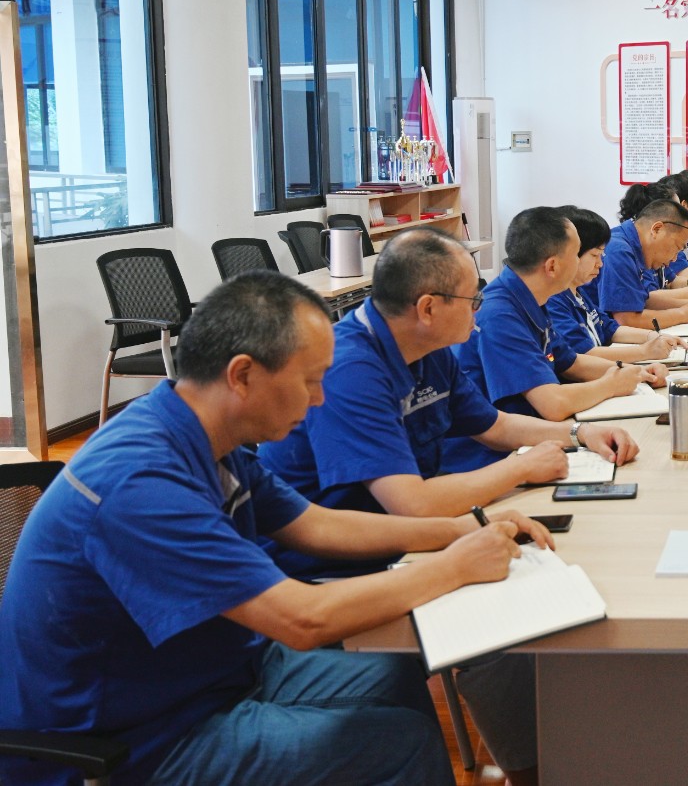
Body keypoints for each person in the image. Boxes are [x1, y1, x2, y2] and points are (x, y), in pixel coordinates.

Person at [0, 271, 547, 786]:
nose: (320, 398)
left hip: (216, 673)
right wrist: (454, 568)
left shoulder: (200, 434)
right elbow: (301, 620)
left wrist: (464, 528)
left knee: (394, 675)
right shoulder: (140, 480)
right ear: (242, 375)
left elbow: (314, 524)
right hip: (138, 737)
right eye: (309, 381)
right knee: (398, 744)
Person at [257, 228, 639, 786]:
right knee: (502, 628)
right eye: (471, 298)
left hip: (401, 541)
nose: (479, 308)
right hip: (342, 565)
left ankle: (576, 751)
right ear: (428, 308)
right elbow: (409, 504)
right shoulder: (350, 369)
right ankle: (533, 771)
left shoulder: (429, 351)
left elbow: (494, 425)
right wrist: (516, 473)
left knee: (551, 575)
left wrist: (577, 434)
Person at [450, 206, 670, 433]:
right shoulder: (500, 314)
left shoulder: (531, 297)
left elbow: (571, 363)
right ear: (552, 266)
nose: (598, 263)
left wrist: (635, 372)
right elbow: (552, 404)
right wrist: (611, 384)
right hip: (501, 445)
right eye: (576, 254)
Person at [547, 205, 688, 362]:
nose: (600, 264)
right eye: (594, 255)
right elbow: (582, 356)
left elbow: (610, 328)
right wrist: (644, 352)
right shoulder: (554, 301)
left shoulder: (577, 293)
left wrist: (654, 336)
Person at [599, 197, 688, 329]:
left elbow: (645, 300)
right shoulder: (619, 251)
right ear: (657, 229)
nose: (675, 259)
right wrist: (684, 314)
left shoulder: (638, 244)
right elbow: (626, 320)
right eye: (676, 248)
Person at [619, 180, 688, 292]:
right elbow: (649, 298)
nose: (674, 258)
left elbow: (671, 281)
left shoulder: (659, 244)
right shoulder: (623, 250)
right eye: (676, 208)